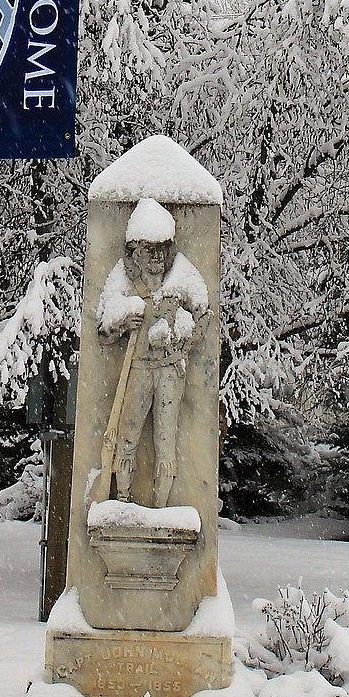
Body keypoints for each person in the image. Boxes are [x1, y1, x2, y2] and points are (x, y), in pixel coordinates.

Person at [97, 198, 209, 508]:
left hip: (170, 369)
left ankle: (161, 508)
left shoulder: (182, 275)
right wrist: (122, 322)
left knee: (165, 441)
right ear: (136, 251)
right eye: (149, 248)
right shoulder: (124, 279)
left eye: (161, 247)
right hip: (139, 367)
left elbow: (204, 314)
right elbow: (103, 329)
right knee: (128, 435)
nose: (157, 255)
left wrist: (186, 340)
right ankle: (122, 499)